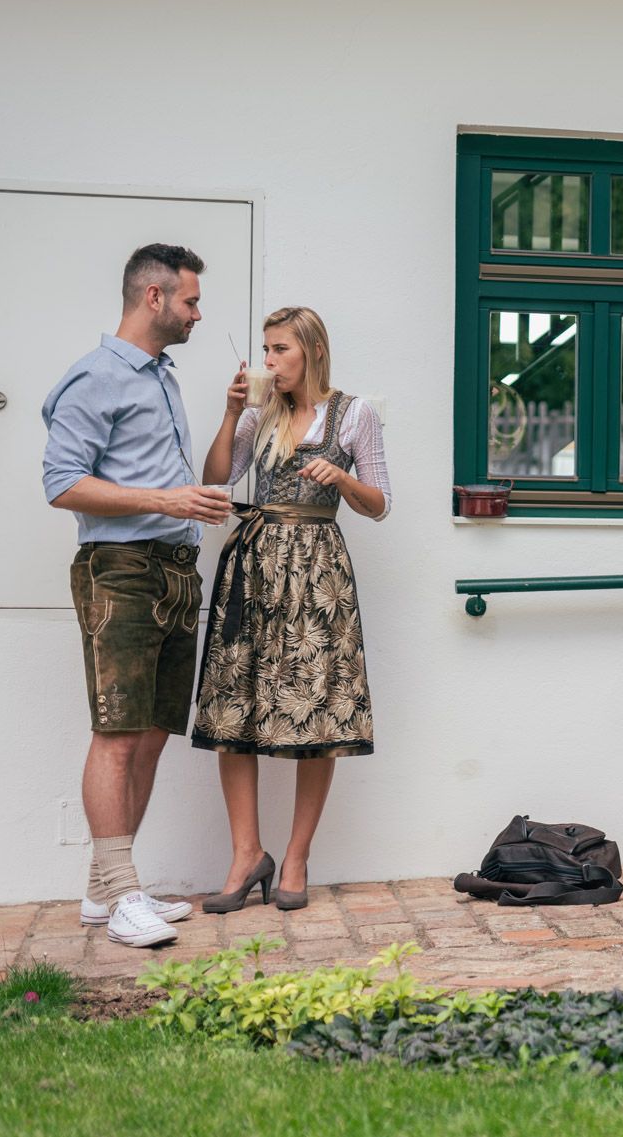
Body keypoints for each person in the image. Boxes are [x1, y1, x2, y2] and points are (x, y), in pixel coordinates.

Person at [42, 243, 233, 948]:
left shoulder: (161, 376)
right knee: (117, 733)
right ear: (153, 297)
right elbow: (62, 482)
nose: (197, 312)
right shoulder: (94, 377)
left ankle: (107, 890)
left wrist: (187, 507)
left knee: (152, 734)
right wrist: (166, 497)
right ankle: (123, 896)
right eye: (190, 300)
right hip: (120, 569)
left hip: (174, 571)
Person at [192, 306, 390, 912]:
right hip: (252, 570)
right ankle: (246, 853)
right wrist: (230, 416)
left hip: (317, 574)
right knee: (234, 709)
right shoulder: (259, 413)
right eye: (266, 349)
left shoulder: (356, 414)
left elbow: (380, 504)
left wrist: (343, 478)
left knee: (317, 714)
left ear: (311, 351)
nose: (269, 361)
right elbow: (218, 480)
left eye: (279, 350)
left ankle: (297, 856)